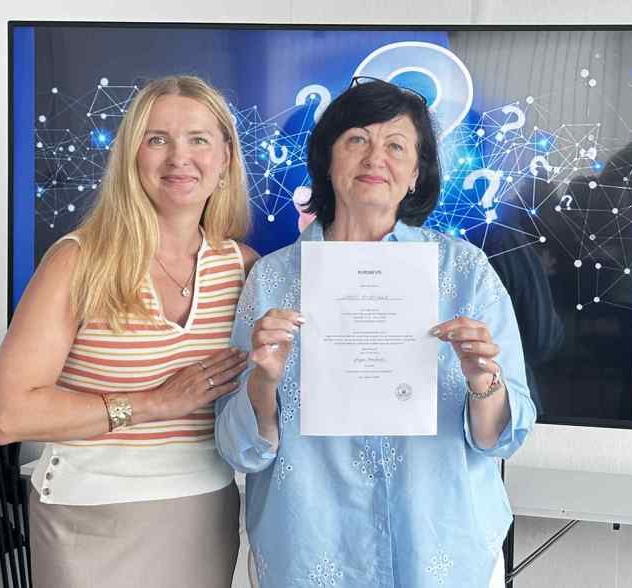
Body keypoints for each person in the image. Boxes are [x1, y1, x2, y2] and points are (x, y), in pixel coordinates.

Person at [215, 77, 536, 587]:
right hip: (312, 552)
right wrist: (263, 383)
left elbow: (501, 439)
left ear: (416, 174)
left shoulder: (465, 271)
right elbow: (240, 449)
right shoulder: (273, 279)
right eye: (357, 139)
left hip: (443, 553)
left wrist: (483, 382)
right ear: (327, 160)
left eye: (396, 146)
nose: (374, 158)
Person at [0, 75, 257, 588]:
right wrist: (153, 403)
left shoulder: (244, 268)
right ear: (132, 156)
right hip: (88, 518)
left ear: (225, 158)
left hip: (203, 512)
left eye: (198, 139)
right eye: (157, 139)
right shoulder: (78, 261)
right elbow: (7, 416)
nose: (179, 158)